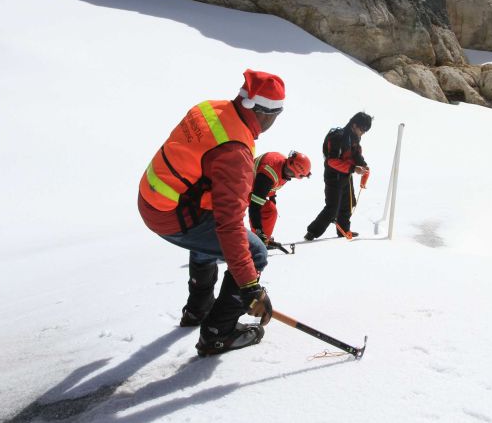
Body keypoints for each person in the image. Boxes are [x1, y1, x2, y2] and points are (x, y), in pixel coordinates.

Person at [137, 69, 283, 356]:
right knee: (255, 253)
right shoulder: (235, 153)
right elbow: (229, 227)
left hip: (153, 196)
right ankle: (218, 333)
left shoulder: (210, 108)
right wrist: (250, 285)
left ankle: (198, 309)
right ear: (267, 114)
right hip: (170, 213)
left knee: (207, 230)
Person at [305, 112, 372, 241]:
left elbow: (356, 155)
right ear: (354, 125)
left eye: (365, 131)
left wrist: (363, 165)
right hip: (333, 177)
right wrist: (353, 168)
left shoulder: (354, 138)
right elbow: (331, 161)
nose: (363, 133)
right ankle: (311, 233)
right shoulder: (338, 137)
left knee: (348, 204)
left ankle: (344, 231)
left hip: (346, 175)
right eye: (362, 129)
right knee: (332, 209)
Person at [249, 151, 312, 245]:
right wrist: (259, 230)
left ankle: (261, 242)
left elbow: (272, 183)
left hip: (253, 186)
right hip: (240, 188)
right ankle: (256, 242)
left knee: (270, 210)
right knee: (233, 218)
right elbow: (254, 206)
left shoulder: (283, 166)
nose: (289, 174)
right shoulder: (268, 173)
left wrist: (272, 197)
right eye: (291, 172)